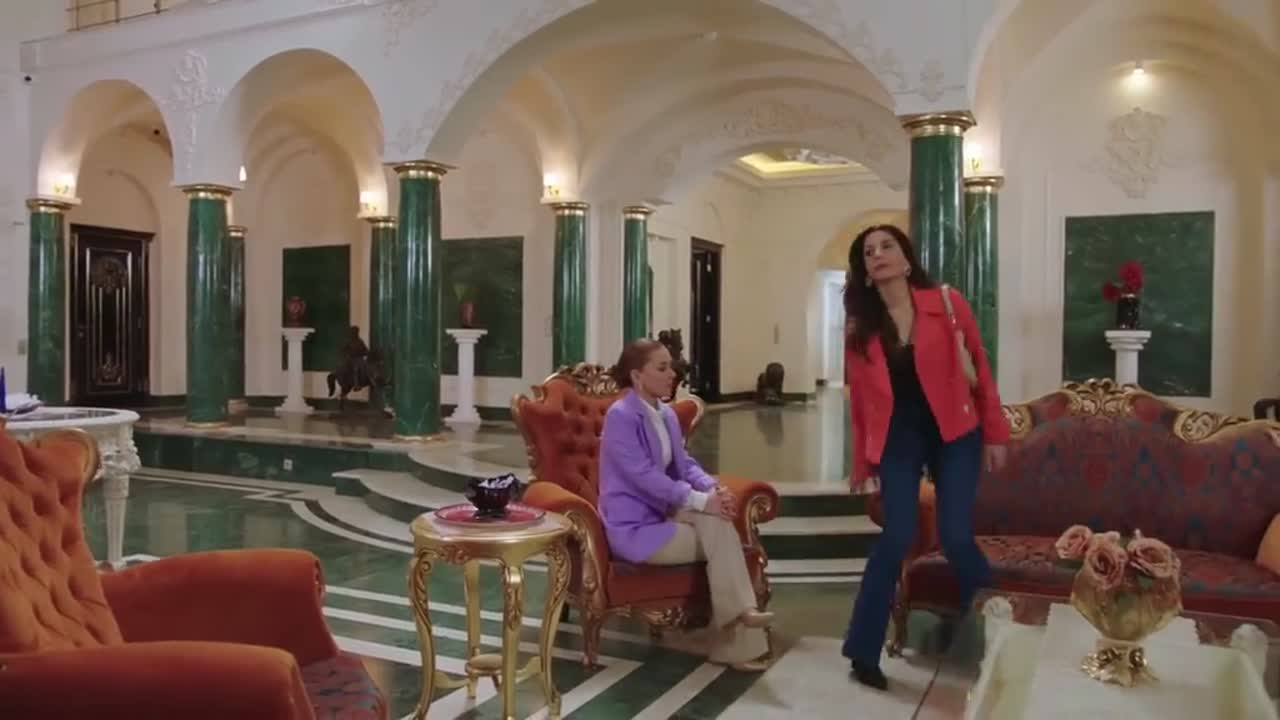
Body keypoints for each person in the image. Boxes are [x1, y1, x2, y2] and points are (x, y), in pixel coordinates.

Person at [841, 224, 1010, 690]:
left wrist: (995, 433)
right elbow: (861, 403)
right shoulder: (861, 328)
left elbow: (981, 370)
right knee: (896, 536)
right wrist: (861, 461)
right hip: (899, 437)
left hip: (955, 432)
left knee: (955, 537)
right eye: (869, 252)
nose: (878, 255)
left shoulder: (947, 304)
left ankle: (1005, 635)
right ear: (865, 270)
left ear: (906, 258)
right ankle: (862, 651)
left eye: (887, 246)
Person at [598, 339, 773, 672]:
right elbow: (644, 477)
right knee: (720, 531)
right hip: (637, 527)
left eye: (671, 367)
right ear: (637, 376)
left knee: (717, 520)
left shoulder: (665, 413)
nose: (672, 374)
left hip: (666, 510)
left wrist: (712, 488)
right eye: (662, 368)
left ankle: (738, 620)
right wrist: (700, 501)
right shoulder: (620, 417)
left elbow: (685, 464)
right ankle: (738, 623)